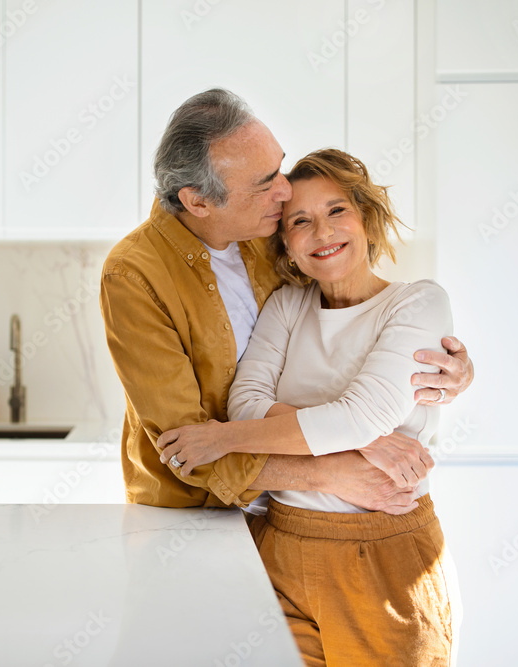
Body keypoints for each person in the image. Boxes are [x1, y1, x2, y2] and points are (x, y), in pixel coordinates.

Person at [100, 88, 473, 515]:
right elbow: (185, 446)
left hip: (278, 514)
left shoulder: (265, 233)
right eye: (264, 184)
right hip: (196, 514)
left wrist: (444, 370)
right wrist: (335, 466)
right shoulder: (133, 276)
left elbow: (362, 376)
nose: (284, 190)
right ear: (198, 201)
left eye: (278, 167)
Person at [158, 148, 460, 665]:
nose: (322, 233)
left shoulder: (417, 302)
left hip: (385, 557)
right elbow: (247, 405)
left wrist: (223, 439)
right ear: (286, 243)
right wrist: (367, 441)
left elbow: (356, 414)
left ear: (365, 217)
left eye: (337, 210)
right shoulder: (287, 305)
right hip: (279, 546)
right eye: (301, 221)